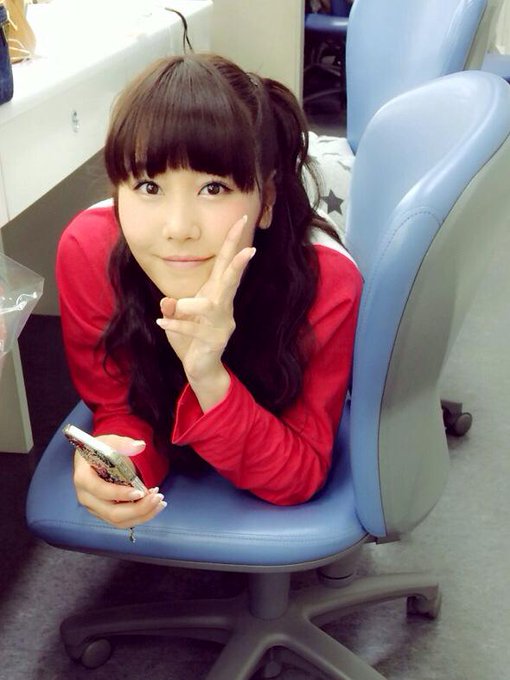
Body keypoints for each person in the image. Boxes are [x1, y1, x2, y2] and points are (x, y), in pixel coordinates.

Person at [56, 53, 362, 531]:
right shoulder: (89, 250)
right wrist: (118, 462)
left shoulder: (327, 282)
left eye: (214, 188)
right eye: (148, 186)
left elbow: (299, 473)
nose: (178, 228)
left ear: (266, 199)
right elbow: (119, 406)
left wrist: (207, 375)